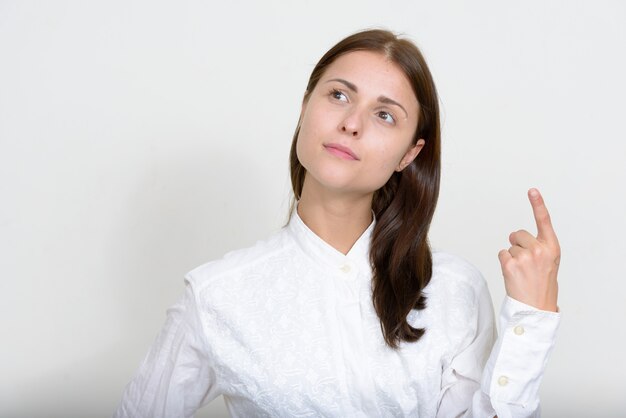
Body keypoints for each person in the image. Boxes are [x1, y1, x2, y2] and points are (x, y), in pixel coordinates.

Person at [114, 29, 561, 417]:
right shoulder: (217, 295)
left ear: (409, 154)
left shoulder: (455, 289)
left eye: (385, 115)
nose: (351, 123)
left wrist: (530, 320)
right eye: (339, 95)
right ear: (306, 105)